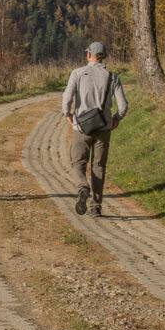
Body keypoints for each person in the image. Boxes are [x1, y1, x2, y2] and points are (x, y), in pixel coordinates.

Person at [62, 41, 128, 217]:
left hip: (82, 127)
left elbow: (66, 99)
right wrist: (115, 119)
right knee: (98, 166)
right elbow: (123, 106)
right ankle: (96, 207)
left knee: (78, 162)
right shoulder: (112, 77)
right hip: (103, 128)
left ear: (89, 54)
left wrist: (68, 116)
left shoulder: (77, 73)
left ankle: (83, 186)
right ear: (103, 56)